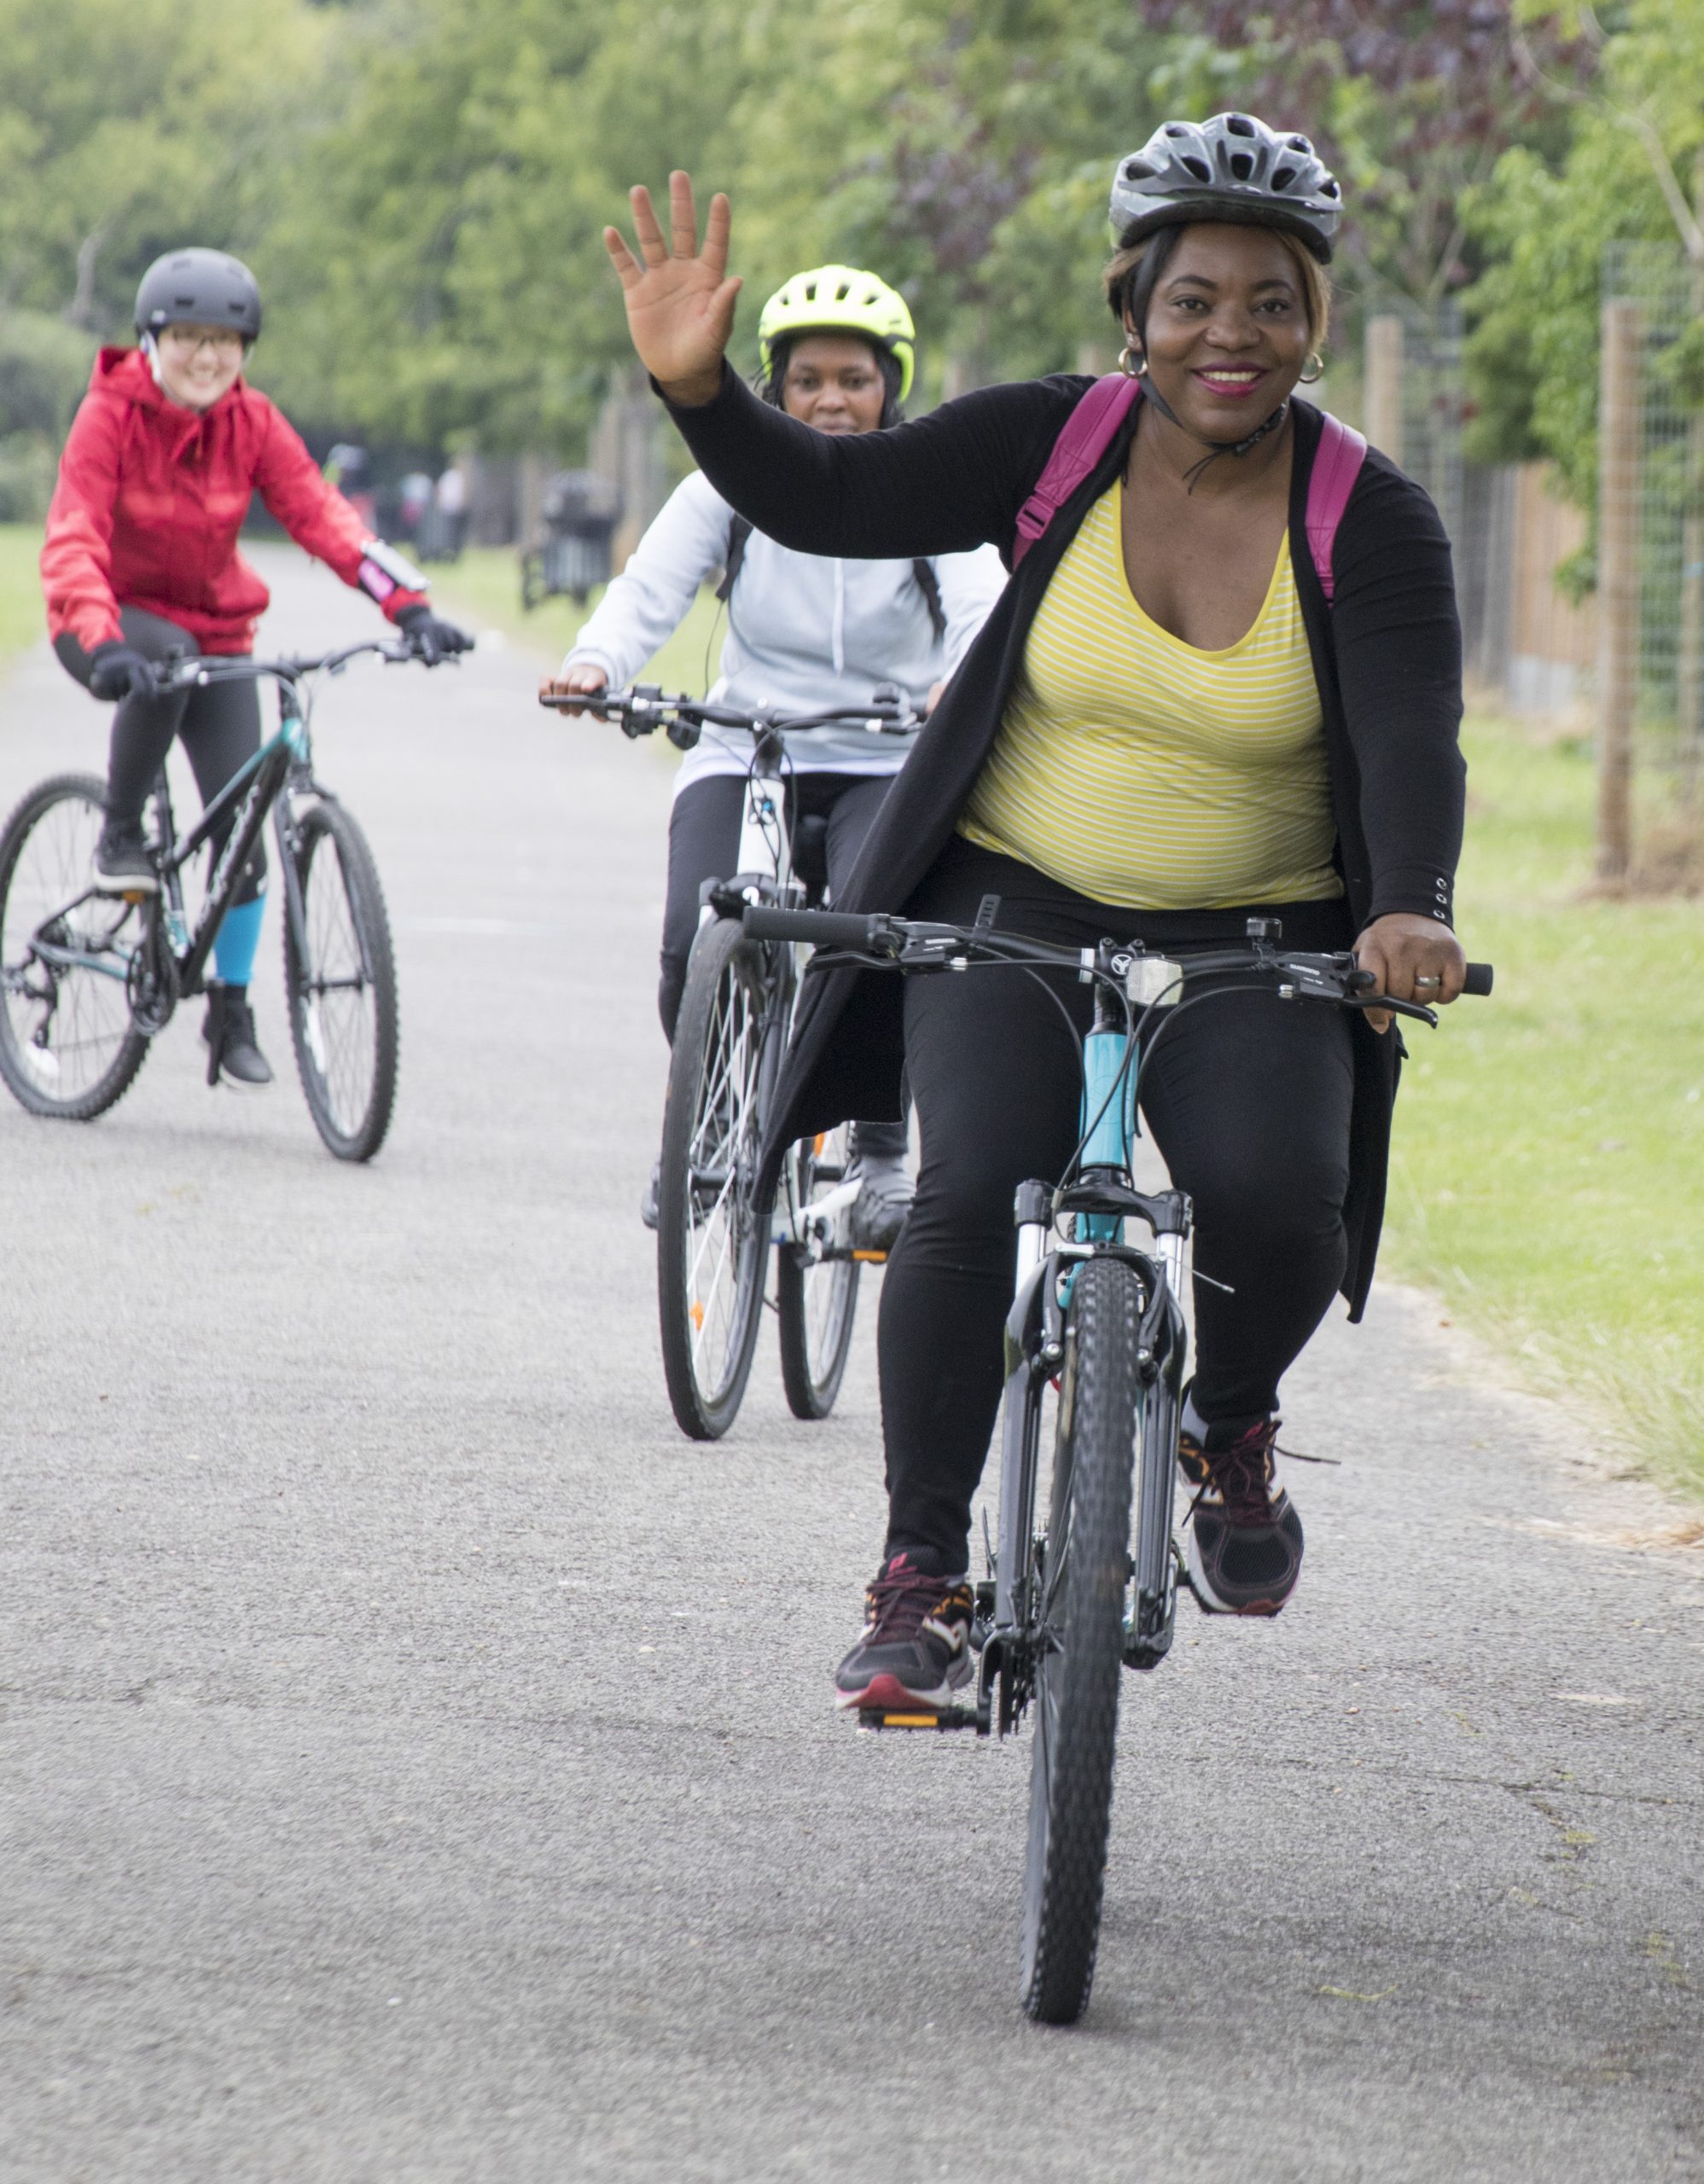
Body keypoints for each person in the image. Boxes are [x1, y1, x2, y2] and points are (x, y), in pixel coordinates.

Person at [602, 119, 1468, 1711]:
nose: (1233, 336)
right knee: (963, 1197)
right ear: (1133, 307)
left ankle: (1230, 1424)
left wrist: (1408, 907)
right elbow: (835, 496)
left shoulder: (1371, 515)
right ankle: (921, 1572)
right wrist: (701, 394)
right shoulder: (1052, 445)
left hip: (1258, 928)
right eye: (1195, 299)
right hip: (1011, 895)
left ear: (1316, 322)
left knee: (1279, 1198)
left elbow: (1414, 730)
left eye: (1272, 303)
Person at [541, 264, 1003, 1248]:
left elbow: (985, 613)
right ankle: (704, 1126)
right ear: (774, 391)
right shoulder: (728, 487)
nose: (830, 399)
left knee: (878, 931)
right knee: (690, 934)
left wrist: (956, 681)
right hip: (747, 747)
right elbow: (646, 589)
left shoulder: (933, 493)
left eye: (853, 378)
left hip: (886, 754)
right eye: (806, 381)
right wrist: (595, 661)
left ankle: (879, 1153)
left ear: (892, 387)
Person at [41, 248, 470, 1090]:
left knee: (245, 842)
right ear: (151, 340)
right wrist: (100, 642)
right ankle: (120, 832)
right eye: (190, 338)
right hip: (108, 620)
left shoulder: (254, 422)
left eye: (227, 342)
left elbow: (324, 514)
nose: (208, 358)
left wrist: (409, 606)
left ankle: (229, 1011)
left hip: (217, 632)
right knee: (166, 657)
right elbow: (74, 539)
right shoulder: (110, 415)